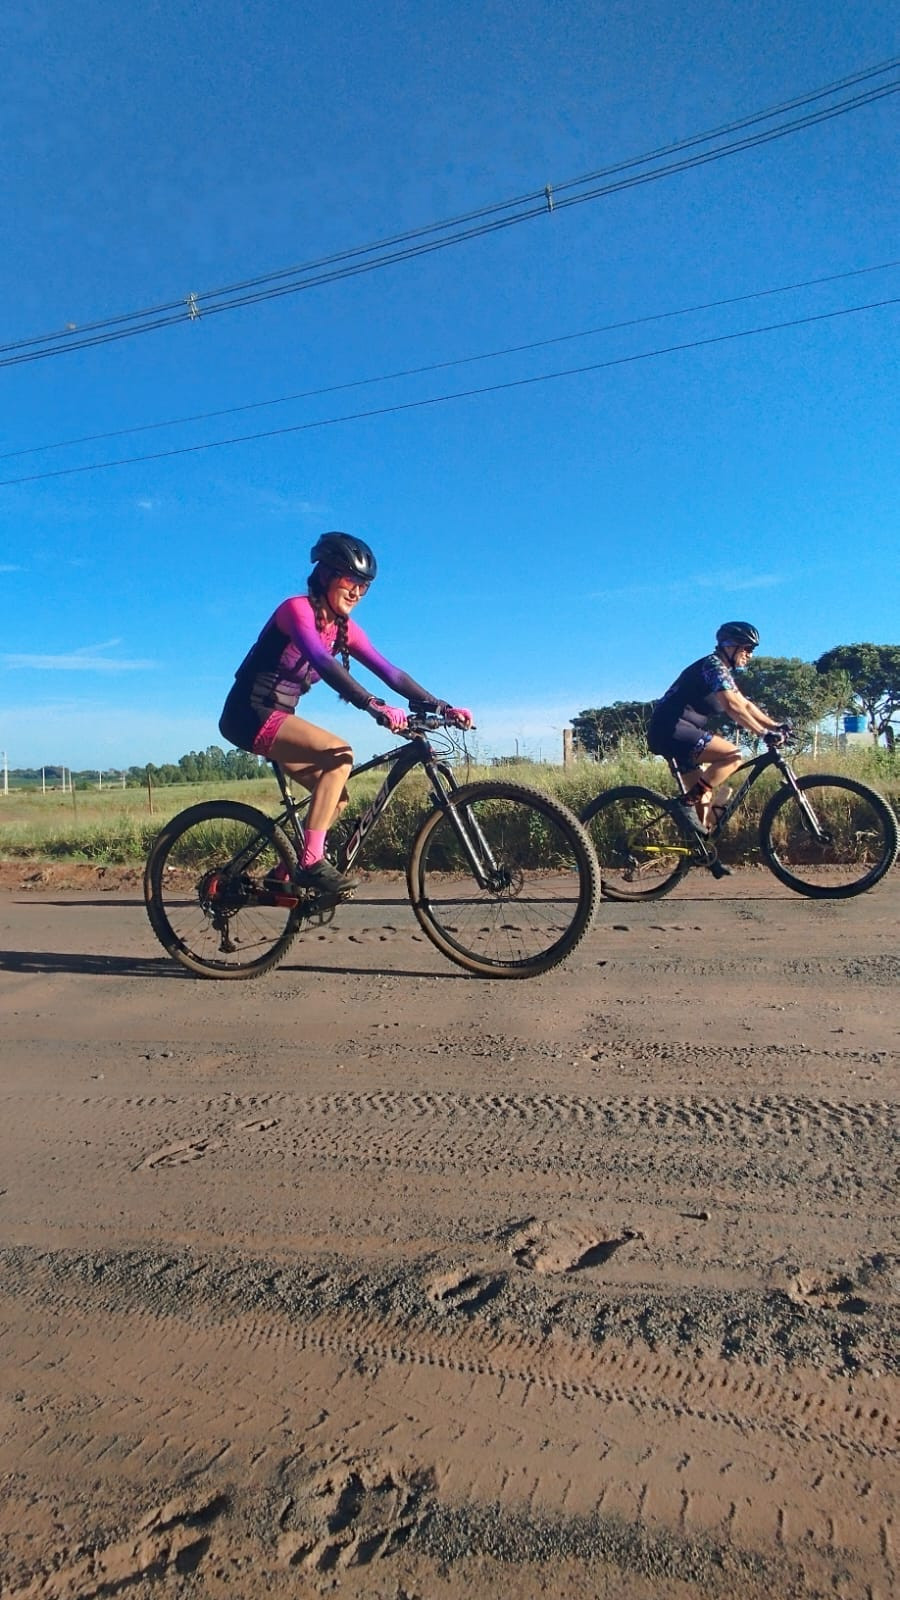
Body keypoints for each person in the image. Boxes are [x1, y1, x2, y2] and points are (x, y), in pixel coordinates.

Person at [219, 532, 472, 899]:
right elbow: (322, 660)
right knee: (340, 754)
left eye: (364, 587)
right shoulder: (296, 610)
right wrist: (373, 705)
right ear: (325, 575)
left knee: (335, 798)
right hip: (249, 712)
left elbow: (392, 673)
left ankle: (281, 877)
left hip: (277, 717)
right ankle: (310, 863)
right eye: (350, 581)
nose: (356, 592)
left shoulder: (344, 630)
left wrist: (441, 706)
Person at [647, 622, 785, 832]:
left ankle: (700, 854)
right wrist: (762, 733)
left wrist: (776, 725)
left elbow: (745, 704)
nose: (750, 655)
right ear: (730, 646)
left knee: (704, 806)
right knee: (732, 756)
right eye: (747, 648)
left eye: (752, 650)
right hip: (672, 729)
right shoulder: (713, 666)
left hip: (677, 731)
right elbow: (732, 705)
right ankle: (686, 802)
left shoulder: (722, 671)